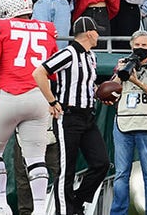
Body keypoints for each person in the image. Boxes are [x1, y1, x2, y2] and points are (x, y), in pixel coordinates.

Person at [0, 0, 56, 215]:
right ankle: (40, 208)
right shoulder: (47, 29)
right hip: (38, 97)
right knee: (35, 157)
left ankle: (1, 204)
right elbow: (53, 71)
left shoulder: (1, 26)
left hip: (9, 93)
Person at [35, 15, 110, 215]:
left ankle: (76, 203)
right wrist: (52, 101)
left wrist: (100, 94)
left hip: (87, 115)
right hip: (69, 116)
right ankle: (65, 211)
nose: (98, 36)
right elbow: (39, 72)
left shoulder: (91, 56)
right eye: (96, 32)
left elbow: (86, 85)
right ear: (88, 33)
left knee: (101, 162)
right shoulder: (69, 53)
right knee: (66, 170)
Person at [108, 30, 147, 215]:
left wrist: (135, 80)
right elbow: (111, 93)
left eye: (144, 45)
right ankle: (118, 212)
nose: (140, 49)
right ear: (131, 46)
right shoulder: (123, 64)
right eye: (137, 45)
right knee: (120, 175)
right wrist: (120, 74)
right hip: (124, 123)